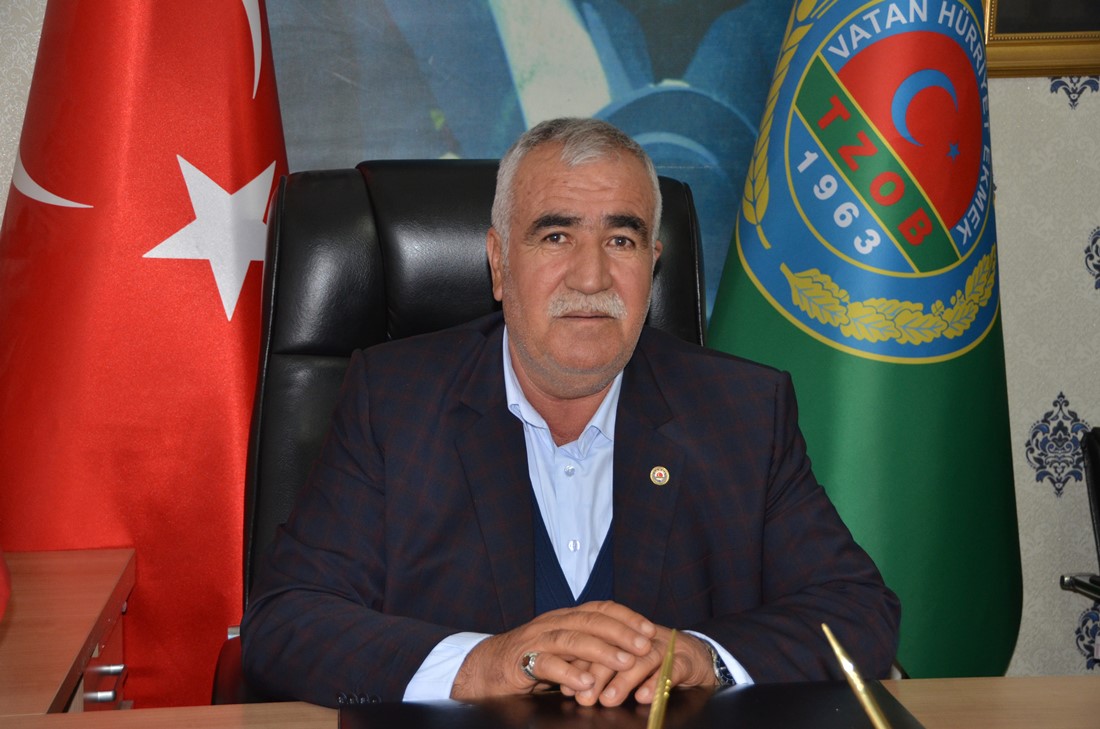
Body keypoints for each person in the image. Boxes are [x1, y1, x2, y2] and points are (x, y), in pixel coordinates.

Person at [240, 117, 900, 708]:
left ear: (653, 266)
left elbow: (856, 611)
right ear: (499, 264)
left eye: (622, 240)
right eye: (556, 235)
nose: (591, 277)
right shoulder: (394, 401)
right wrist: (482, 664)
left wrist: (704, 658)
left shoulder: (743, 412)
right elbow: (287, 619)